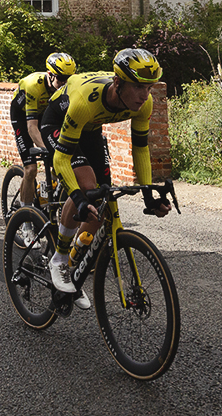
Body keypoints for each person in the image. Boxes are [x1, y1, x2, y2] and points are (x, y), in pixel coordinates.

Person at [38, 48, 171, 309]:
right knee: (87, 187)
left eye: (149, 87)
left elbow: (141, 148)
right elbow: (61, 159)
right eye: (138, 87)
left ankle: (75, 272)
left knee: (104, 199)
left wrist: (148, 196)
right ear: (118, 83)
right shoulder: (84, 102)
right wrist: (76, 196)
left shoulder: (145, 103)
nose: (144, 96)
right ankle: (60, 259)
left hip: (90, 128)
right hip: (59, 120)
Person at [9, 52, 76, 210]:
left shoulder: (67, 87)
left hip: (45, 115)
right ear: (49, 75)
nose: (64, 83)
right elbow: (32, 127)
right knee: (31, 168)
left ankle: (46, 189)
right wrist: (46, 149)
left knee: (60, 159)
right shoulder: (34, 85)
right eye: (60, 78)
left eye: (68, 78)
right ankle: (24, 216)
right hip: (22, 115)